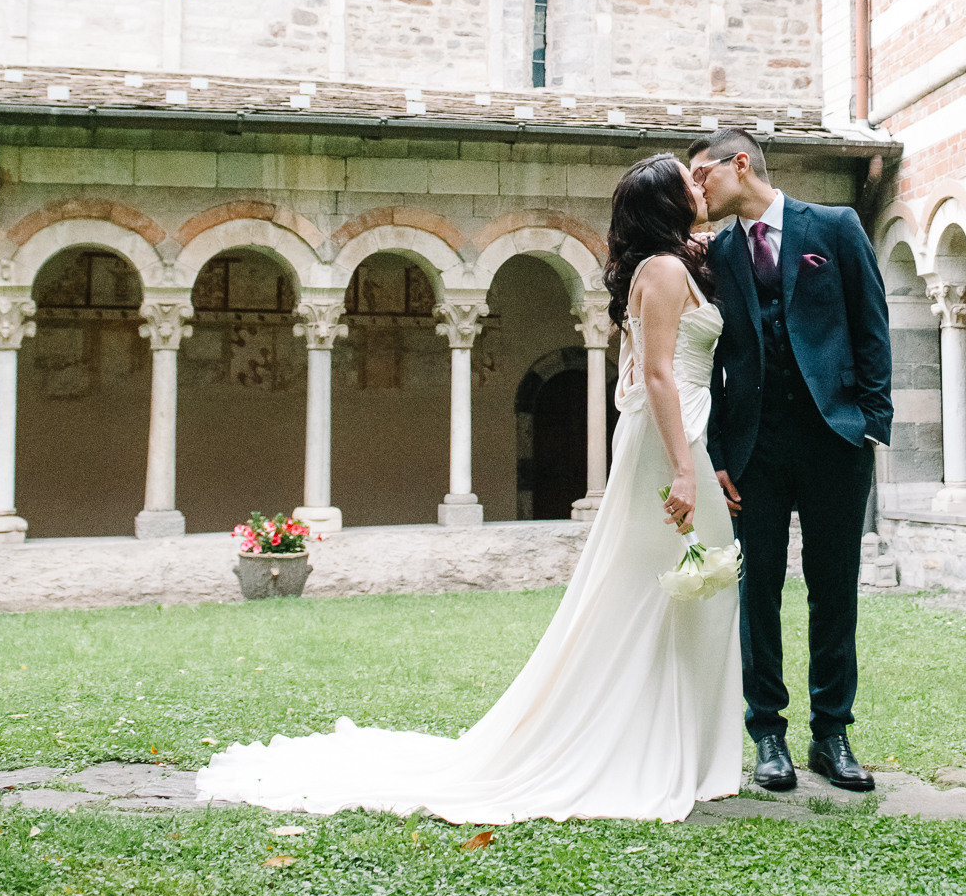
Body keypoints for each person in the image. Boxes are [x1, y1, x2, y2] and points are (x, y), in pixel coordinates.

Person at [196, 155, 740, 824]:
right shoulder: (661, 272)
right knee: (655, 596)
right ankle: (642, 749)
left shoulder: (672, 264)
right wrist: (684, 467)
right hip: (667, 445)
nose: (701, 184)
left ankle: (677, 747)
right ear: (665, 204)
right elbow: (654, 375)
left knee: (684, 595)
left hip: (681, 438)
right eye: (688, 180)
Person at [689, 126, 893, 795]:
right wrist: (718, 452)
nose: (697, 189)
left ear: (738, 164)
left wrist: (869, 423)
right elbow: (713, 359)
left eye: (701, 176)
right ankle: (767, 735)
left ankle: (831, 734)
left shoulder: (833, 227)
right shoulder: (717, 252)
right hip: (754, 447)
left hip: (836, 441)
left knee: (835, 590)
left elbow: (870, 324)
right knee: (759, 591)